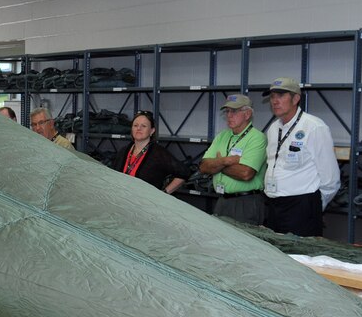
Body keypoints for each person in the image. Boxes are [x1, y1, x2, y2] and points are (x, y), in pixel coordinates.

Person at [262, 77, 340, 236]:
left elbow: (330, 179)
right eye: (272, 97)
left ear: (296, 98)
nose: (275, 101)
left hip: (302, 207)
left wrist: (314, 207)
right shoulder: (273, 128)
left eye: (281, 96)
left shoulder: (314, 127)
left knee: (300, 258)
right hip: (273, 206)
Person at [199, 94, 267, 224]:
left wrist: (217, 165)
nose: (229, 115)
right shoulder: (222, 136)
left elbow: (246, 173)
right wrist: (226, 161)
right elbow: (203, 166)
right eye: (227, 111)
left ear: (247, 114)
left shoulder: (257, 138)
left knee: (244, 243)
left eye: (234, 111)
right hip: (222, 200)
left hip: (245, 203)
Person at [112, 111, 188, 193]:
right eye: (135, 125)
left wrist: (164, 193)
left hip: (144, 203)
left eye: (143, 126)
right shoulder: (123, 151)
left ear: (152, 131)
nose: (138, 128)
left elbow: (184, 172)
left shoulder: (159, 153)